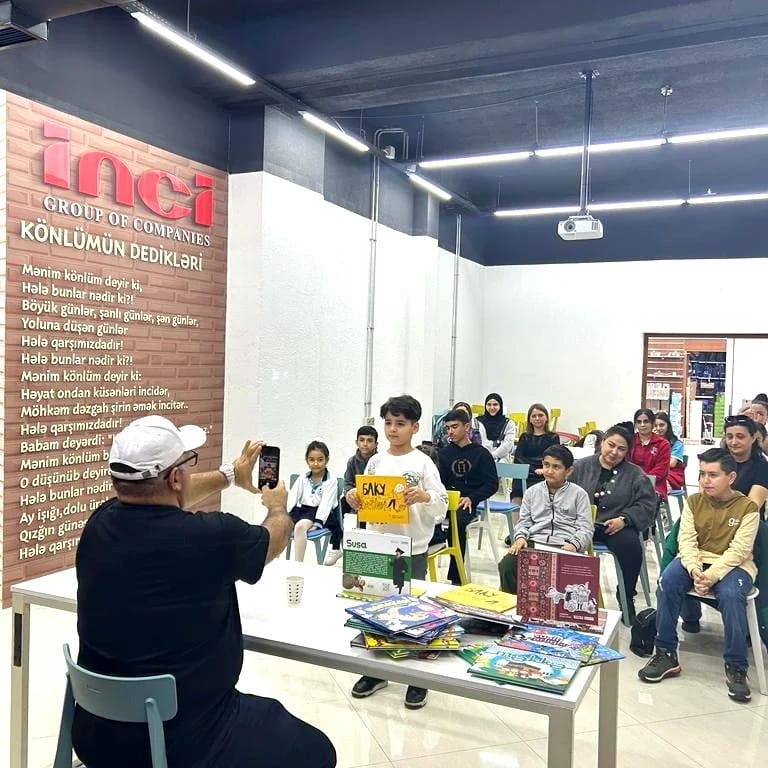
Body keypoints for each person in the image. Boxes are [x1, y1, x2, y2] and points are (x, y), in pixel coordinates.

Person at [73, 415, 336, 768]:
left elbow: (162, 492)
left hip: (96, 735)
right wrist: (277, 506)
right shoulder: (211, 537)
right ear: (174, 477)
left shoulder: (98, 524)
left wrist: (231, 475)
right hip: (190, 740)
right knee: (319, 752)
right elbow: (273, 539)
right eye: (187, 465)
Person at [345, 394, 448, 709]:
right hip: (378, 544)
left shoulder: (423, 463)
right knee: (376, 609)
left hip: (411, 547)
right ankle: (375, 671)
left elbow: (442, 503)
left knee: (412, 612)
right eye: (388, 423)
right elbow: (365, 497)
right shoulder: (376, 462)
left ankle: (417, 677)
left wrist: (424, 497)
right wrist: (353, 497)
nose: (392, 429)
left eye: (400, 423)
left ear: (415, 427)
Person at [638, 448, 758, 702]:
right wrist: (694, 570)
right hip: (695, 561)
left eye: (713, 475)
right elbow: (687, 542)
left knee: (731, 595)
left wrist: (710, 576)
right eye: (702, 474)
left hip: (733, 565)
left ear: (731, 477)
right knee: (668, 581)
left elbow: (739, 551)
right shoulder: (694, 502)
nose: (705, 480)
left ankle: (737, 666)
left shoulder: (747, 507)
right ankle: (665, 653)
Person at [571, 423, 656, 621]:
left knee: (631, 547)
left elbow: (647, 505)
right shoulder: (580, 467)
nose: (614, 452)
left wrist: (624, 519)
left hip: (616, 527)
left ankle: (626, 595)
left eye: (621, 449)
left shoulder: (635, 474)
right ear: (602, 442)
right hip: (581, 524)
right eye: (611, 445)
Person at [498, 445, 593, 594]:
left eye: (556, 467)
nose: (549, 471)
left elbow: (586, 528)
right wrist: (520, 537)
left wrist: (574, 545)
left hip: (565, 545)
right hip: (535, 542)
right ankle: (515, 603)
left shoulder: (579, 495)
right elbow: (524, 522)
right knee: (507, 565)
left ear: (568, 471)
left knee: (569, 577)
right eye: (546, 465)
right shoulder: (532, 492)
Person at [436, 407, 499, 585]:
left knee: (457, 522)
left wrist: (472, 498)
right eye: (448, 428)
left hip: (468, 502)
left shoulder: (482, 454)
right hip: (446, 500)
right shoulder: (443, 454)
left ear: (467, 427)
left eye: (454, 427)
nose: (450, 431)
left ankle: (456, 578)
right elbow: (438, 482)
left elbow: (492, 484)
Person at [286, 441, 339, 562]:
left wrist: (317, 523)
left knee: (300, 527)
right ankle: (274, 561)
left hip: (319, 513)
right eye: (311, 460)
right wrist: (284, 514)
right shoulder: (303, 477)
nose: (315, 463)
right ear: (307, 460)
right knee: (280, 525)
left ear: (327, 460)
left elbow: (326, 504)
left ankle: (298, 564)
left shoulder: (331, 480)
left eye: (320, 460)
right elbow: (293, 496)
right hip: (302, 510)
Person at [333, 425, 379, 564]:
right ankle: (335, 547)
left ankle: (366, 551)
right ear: (356, 442)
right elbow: (347, 483)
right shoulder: (352, 461)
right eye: (362, 440)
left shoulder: (380, 460)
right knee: (337, 508)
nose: (365, 444)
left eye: (369, 440)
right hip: (355, 495)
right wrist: (349, 495)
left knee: (365, 517)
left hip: (373, 499)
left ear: (376, 444)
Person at [511, 403, 560, 504]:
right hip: (526, 472)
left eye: (540, 415)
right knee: (518, 485)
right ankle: (517, 513)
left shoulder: (553, 437)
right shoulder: (524, 437)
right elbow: (518, 458)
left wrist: (544, 470)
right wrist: (532, 470)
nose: (537, 418)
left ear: (546, 417)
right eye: (533, 416)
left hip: (545, 473)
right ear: (529, 419)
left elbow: (555, 458)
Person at [724, 414, 768, 516]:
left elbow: (752, 507)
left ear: (753, 438)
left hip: (746, 521)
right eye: (729, 437)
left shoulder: (762, 467)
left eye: (740, 437)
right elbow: (702, 498)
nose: (734, 442)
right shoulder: (715, 461)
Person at [629, 408, 670, 499]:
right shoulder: (630, 441)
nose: (642, 425)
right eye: (639, 422)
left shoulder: (663, 444)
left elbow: (661, 470)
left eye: (646, 421)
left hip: (654, 486)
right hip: (630, 484)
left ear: (652, 422)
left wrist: (642, 481)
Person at [477, 392, 516, 461]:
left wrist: (492, 456)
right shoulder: (477, 422)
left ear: (500, 406)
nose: (492, 408)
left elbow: (508, 444)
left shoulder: (509, 423)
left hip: (502, 459)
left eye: (495, 404)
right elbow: (478, 442)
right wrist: (485, 456)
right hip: (480, 457)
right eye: (489, 404)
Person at [653, 411, 685, 490]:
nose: (658, 428)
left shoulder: (677, 443)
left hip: (671, 473)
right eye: (655, 426)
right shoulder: (650, 441)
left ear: (668, 425)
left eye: (662, 425)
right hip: (654, 470)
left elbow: (671, 463)